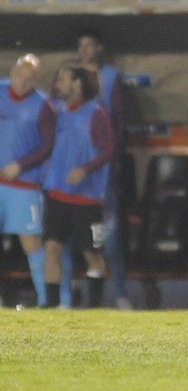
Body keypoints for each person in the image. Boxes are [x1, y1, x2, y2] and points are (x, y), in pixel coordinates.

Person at [42, 66, 113, 309]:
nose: (57, 83)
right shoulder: (58, 111)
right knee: (51, 248)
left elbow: (108, 150)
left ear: (77, 83)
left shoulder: (96, 113)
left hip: (87, 198)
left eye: (62, 79)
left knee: (92, 254)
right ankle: (50, 308)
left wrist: (85, 169)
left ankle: (95, 308)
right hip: (57, 194)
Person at [76, 28, 130, 310]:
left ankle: (121, 293)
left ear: (100, 48)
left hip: (103, 171)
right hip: (74, 173)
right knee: (77, 239)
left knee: (110, 238)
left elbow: (120, 120)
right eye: (81, 45)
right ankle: (78, 296)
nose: (85, 50)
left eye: (90, 44)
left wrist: (114, 157)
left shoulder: (110, 77)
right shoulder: (69, 76)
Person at [0, 55, 55, 307]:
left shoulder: (43, 105)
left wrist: (20, 165)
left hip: (24, 186)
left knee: (31, 242)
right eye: (21, 75)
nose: (23, 81)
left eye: (30, 78)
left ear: (36, 81)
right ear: (12, 72)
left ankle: (47, 302)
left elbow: (47, 145)